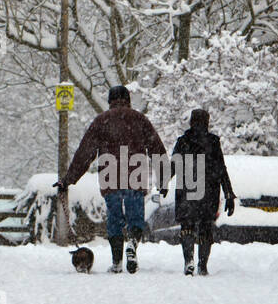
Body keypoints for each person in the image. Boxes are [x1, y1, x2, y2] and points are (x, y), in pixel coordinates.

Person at [57, 85, 167, 273]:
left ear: (110, 101)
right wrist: (163, 180)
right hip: (136, 174)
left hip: (111, 175)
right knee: (135, 216)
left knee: (114, 218)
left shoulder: (102, 121)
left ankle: (117, 262)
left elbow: (85, 152)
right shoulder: (140, 120)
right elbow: (157, 150)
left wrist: (68, 179)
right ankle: (132, 243)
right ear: (128, 100)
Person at [170, 108, 234, 276]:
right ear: (207, 123)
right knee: (206, 226)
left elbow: (174, 165)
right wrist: (228, 193)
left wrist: (163, 183)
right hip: (208, 191)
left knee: (187, 225)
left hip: (187, 190)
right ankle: (202, 265)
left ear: (191, 122)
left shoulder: (183, 141)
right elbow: (221, 169)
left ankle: (188, 261)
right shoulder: (213, 142)